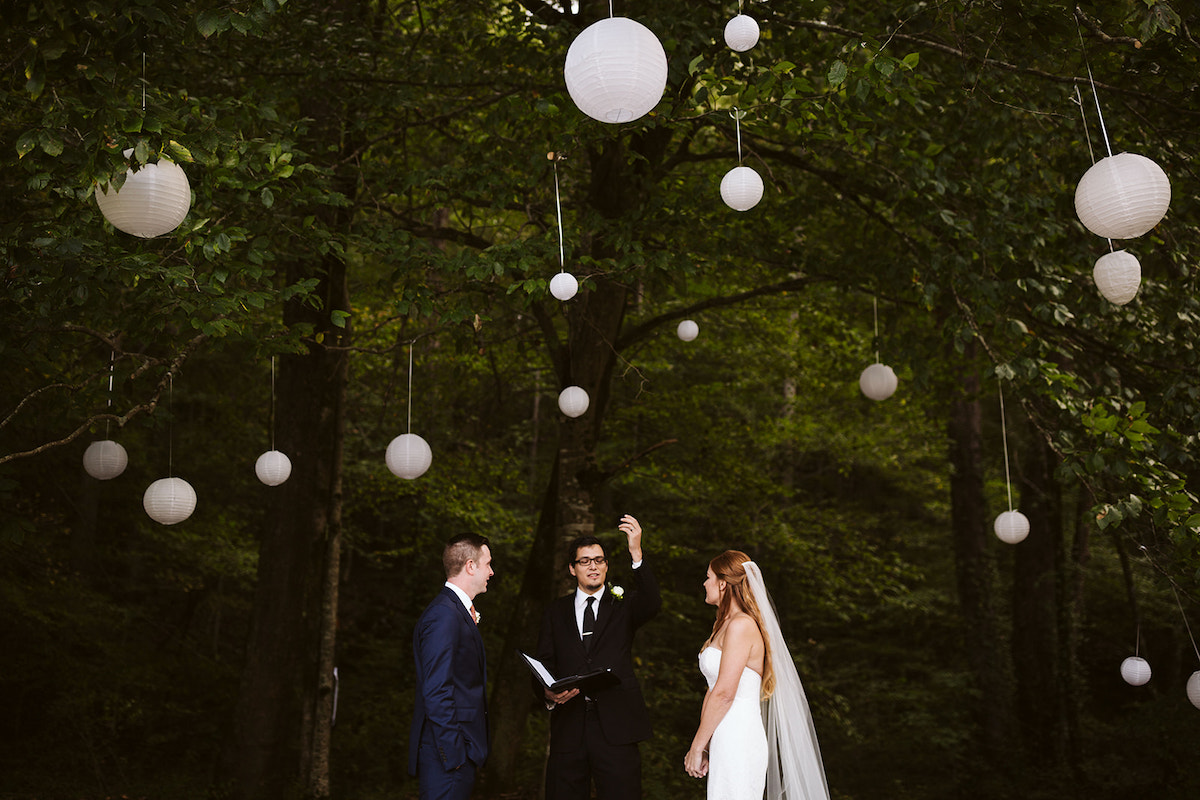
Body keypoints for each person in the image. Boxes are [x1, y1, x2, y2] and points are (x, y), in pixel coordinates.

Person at [684, 550, 830, 800]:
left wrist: (696, 747)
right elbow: (713, 690)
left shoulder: (741, 625)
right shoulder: (724, 626)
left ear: (722, 583)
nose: (704, 583)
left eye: (708, 577)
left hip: (739, 735)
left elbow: (724, 694)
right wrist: (706, 743)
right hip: (723, 734)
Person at [534, 514, 662, 800]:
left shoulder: (624, 604)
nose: (593, 566)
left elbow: (653, 602)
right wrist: (546, 693)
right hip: (569, 727)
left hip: (617, 726)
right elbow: (544, 663)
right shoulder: (555, 612)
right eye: (585, 561)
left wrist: (636, 552)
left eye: (599, 560)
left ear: (606, 565)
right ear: (572, 568)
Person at [408, 533, 494, 800]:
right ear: (470, 566)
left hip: (457, 754)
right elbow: (436, 690)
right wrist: (455, 754)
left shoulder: (454, 611)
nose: (492, 571)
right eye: (488, 563)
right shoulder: (445, 615)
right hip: (447, 757)